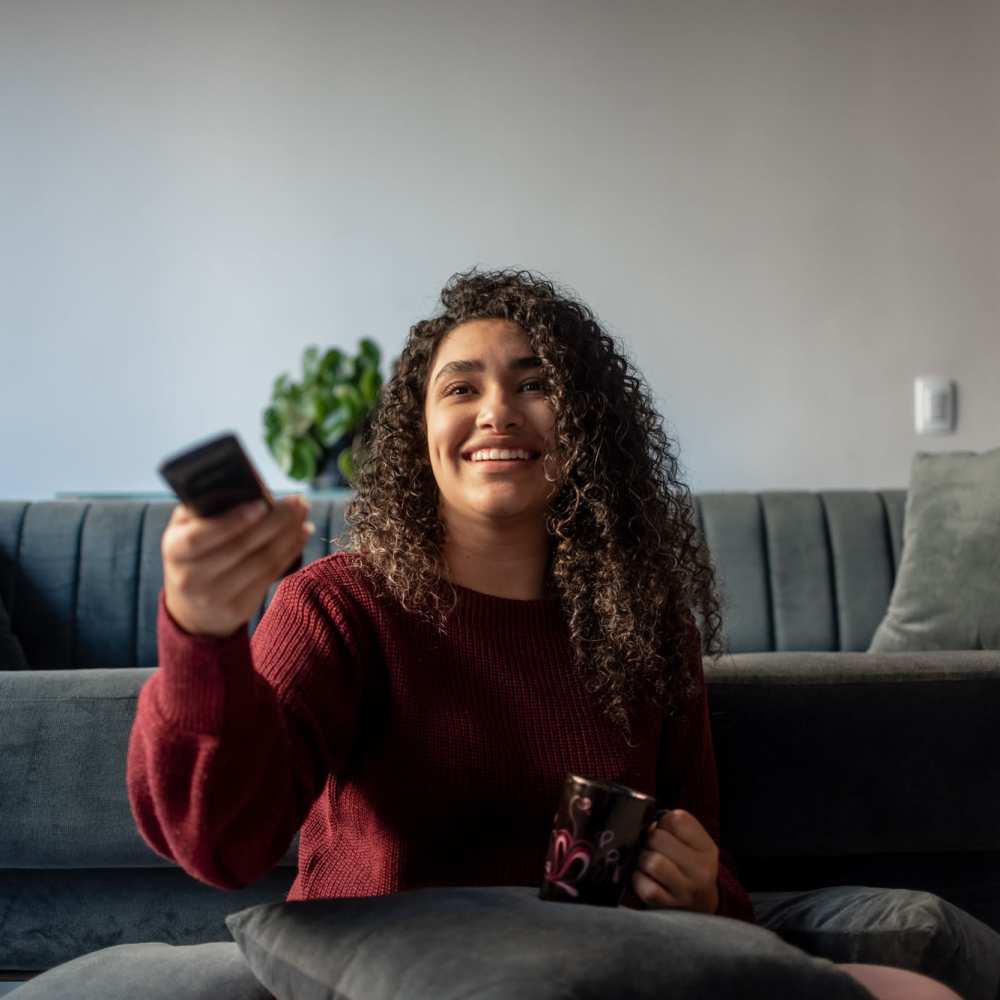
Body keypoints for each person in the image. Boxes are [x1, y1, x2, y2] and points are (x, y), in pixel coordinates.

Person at [127, 268, 977, 998]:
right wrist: (201, 636)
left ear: (589, 426)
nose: (498, 412)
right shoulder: (340, 607)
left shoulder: (644, 623)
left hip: (597, 973)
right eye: (461, 387)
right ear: (416, 436)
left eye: (536, 384)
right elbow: (221, 846)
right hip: (388, 975)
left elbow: (711, 869)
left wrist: (699, 890)